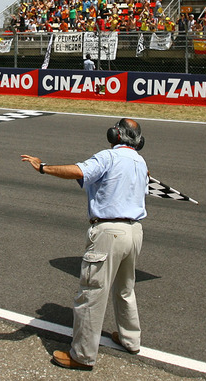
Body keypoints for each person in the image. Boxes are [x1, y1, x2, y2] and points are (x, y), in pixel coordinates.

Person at [20, 118, 149, 371]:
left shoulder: (108, 157)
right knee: (125, 289)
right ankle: (130, 339)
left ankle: (82, 355)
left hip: (108, 232)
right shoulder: (142, 163)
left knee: (92, 293)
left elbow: (80, 171)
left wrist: (43, 167)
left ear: (115, 135)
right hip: (135, 232)